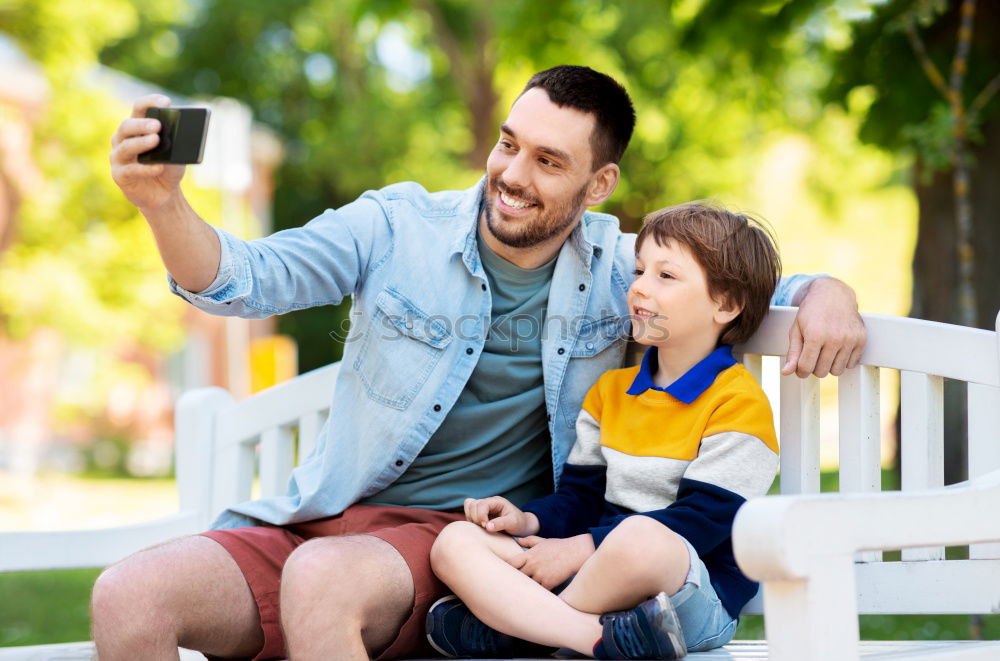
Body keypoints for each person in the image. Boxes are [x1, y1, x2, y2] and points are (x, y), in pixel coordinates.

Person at [95, 65, 865, 661]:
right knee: (128, 597)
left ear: (599, 186)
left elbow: (729, 282)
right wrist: (164, 205)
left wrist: (827, 290)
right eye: (508, 143)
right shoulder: (395, 227)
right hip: (327, 514)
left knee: (322, 581)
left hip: (459, 541)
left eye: (548, 161)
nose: (513, 174)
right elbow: (245, 278)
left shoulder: (617, 272)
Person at [426, 202, 780, 660]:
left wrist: (583, 549)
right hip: (594, 583)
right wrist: (528, 521)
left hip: (687, 599)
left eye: (665, 276)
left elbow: (703, 523)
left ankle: (518, 628)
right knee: (456, 541)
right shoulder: (610, 392)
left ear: (726, 304)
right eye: (638, 271)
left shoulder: (738, 402)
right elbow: (580, 500)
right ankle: (592, 639)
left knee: (640, 539)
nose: (639, 288)